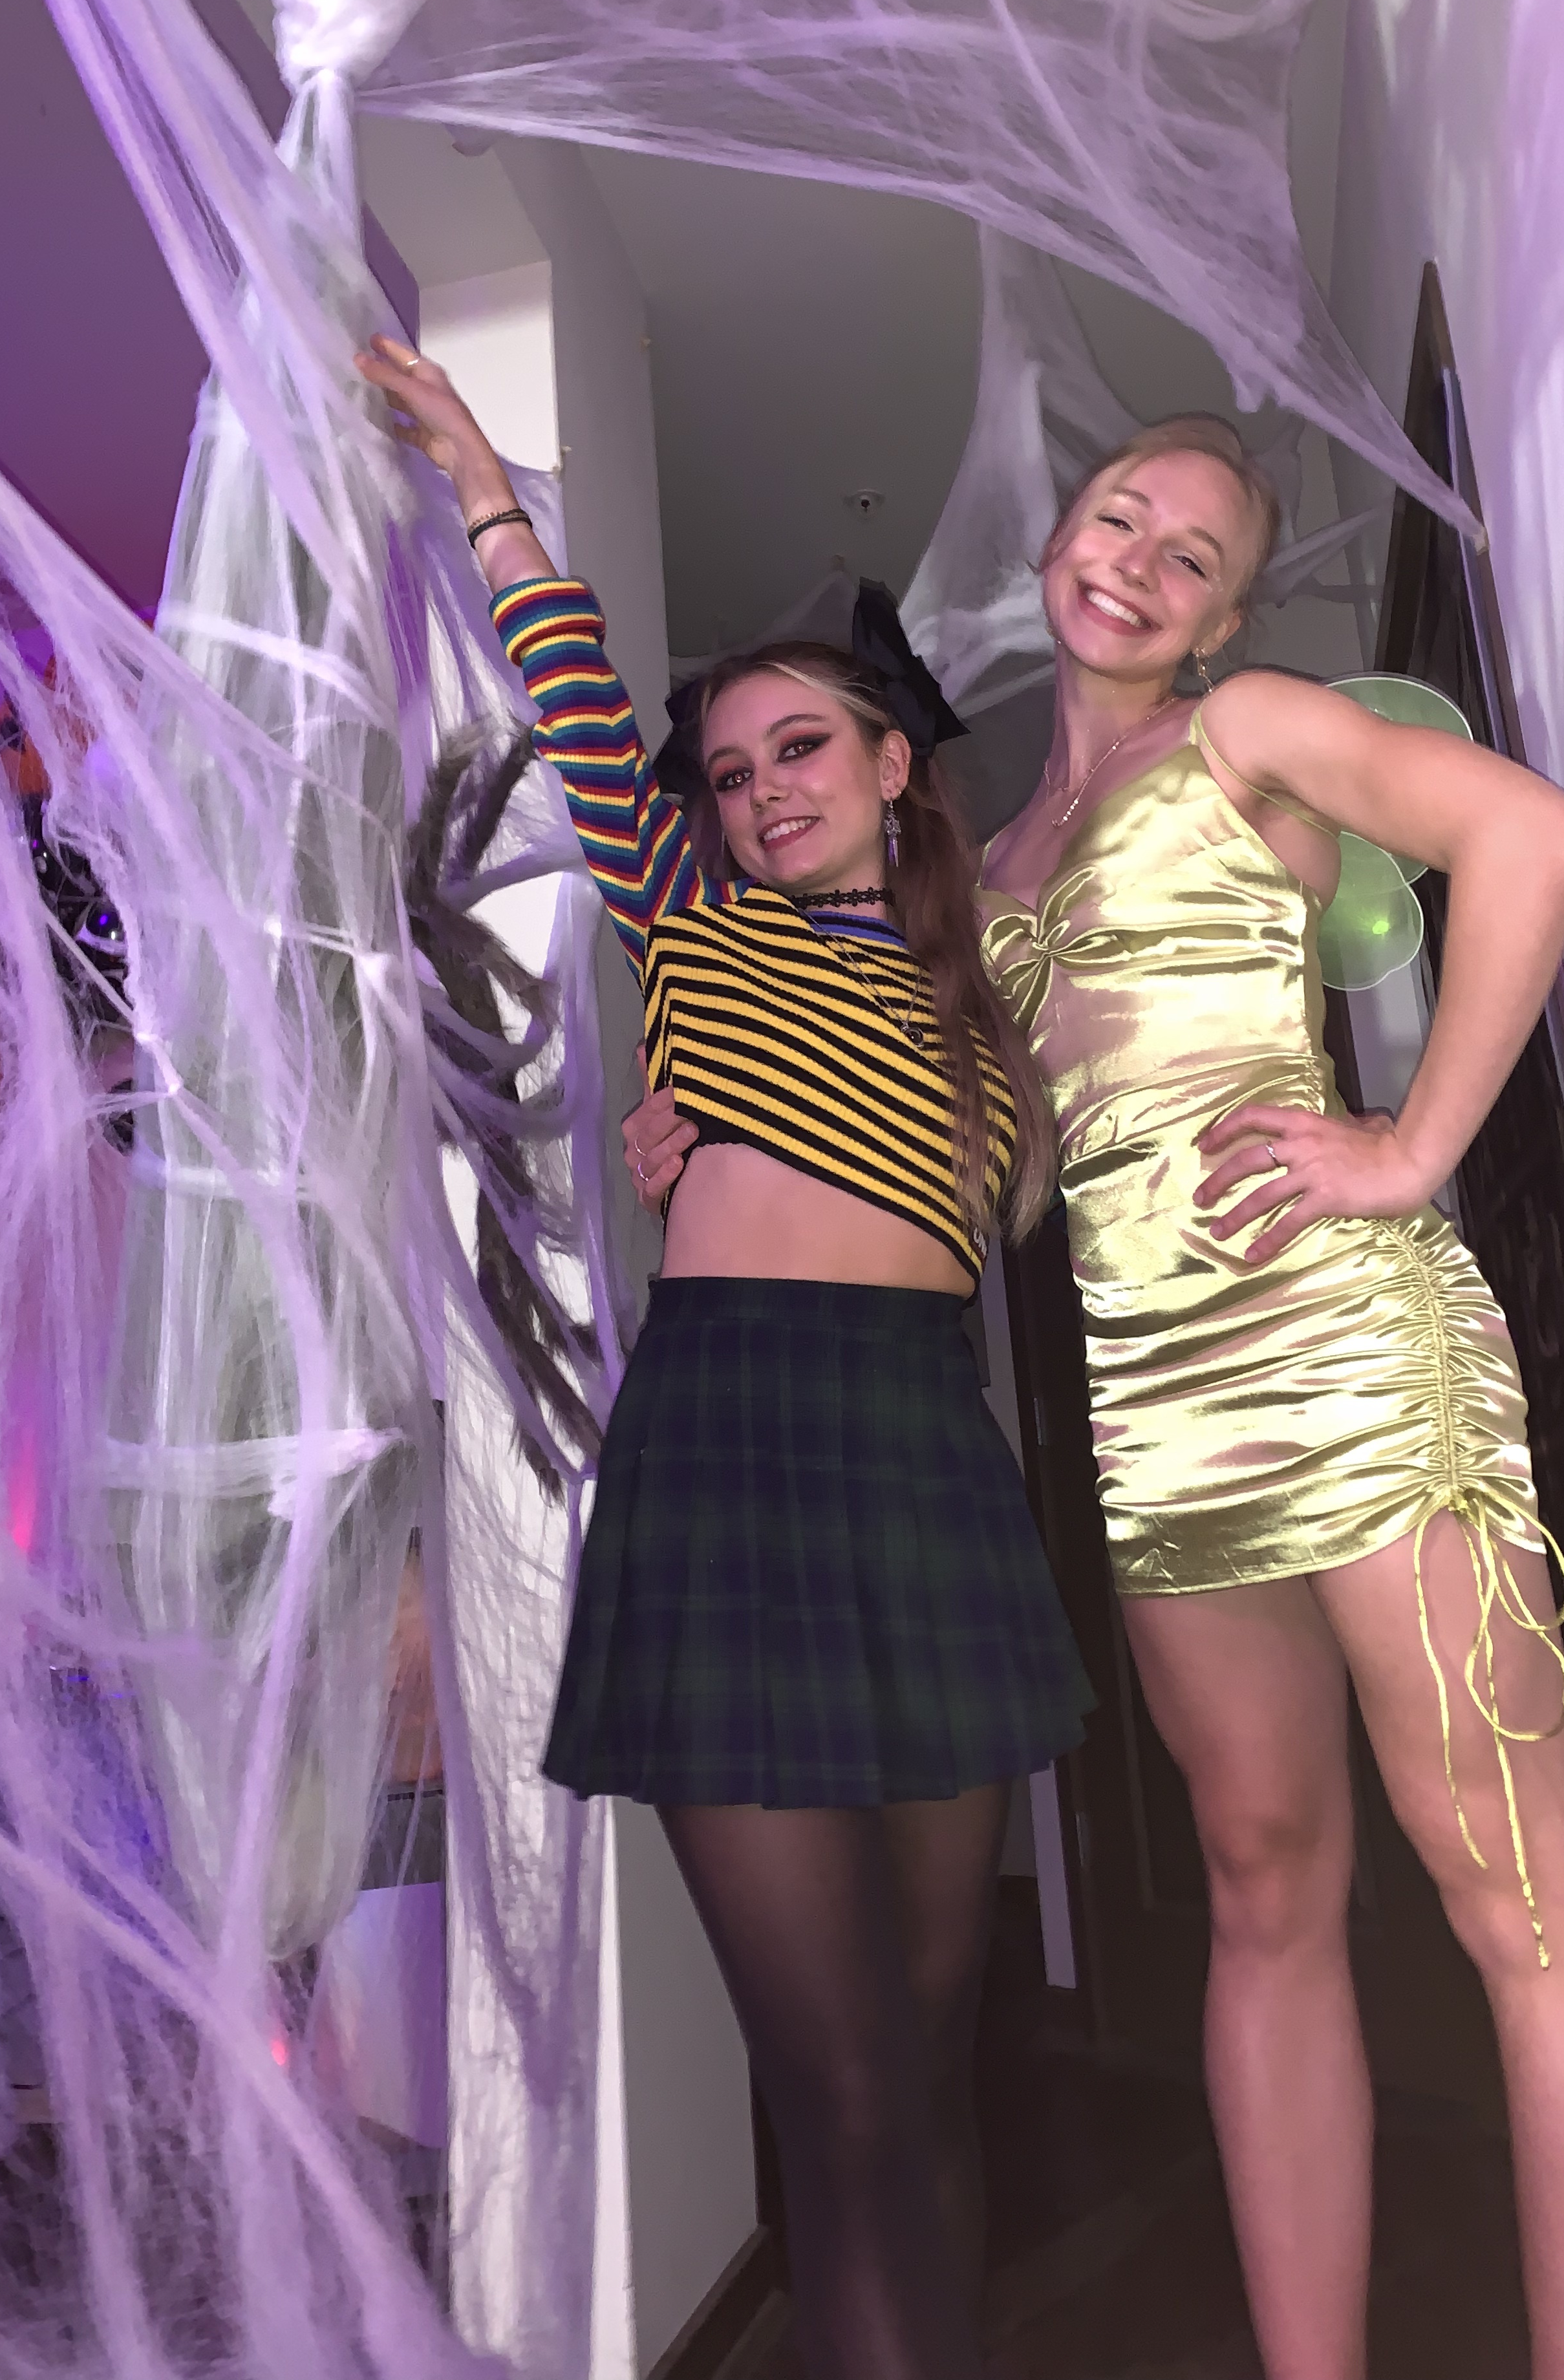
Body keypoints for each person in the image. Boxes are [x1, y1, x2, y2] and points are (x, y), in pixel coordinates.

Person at [626, 416, 1564, 2380]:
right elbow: (957, 1147)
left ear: (1218, 622)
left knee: (1520, 1895)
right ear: (1061, 540)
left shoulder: (1248, 731)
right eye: (1120, 517)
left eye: (1193, 557)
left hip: (1350, 1357)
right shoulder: (981, 869)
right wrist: (704, 1118)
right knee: (1263, 1893)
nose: (1139, 560)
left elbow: (1531, 840)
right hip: (1154, 1415)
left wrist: (1408, 1147)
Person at [357, 334, 1093, 2380]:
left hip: (927, 1464)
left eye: (802, 748)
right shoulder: (691, 918)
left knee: (928, 2069)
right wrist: (484, 483)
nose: (762, 788)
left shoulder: (988, 996)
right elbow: (583, 708)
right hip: (735, 1450)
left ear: (894, 766)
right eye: (740, 764)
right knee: (842, 2090)